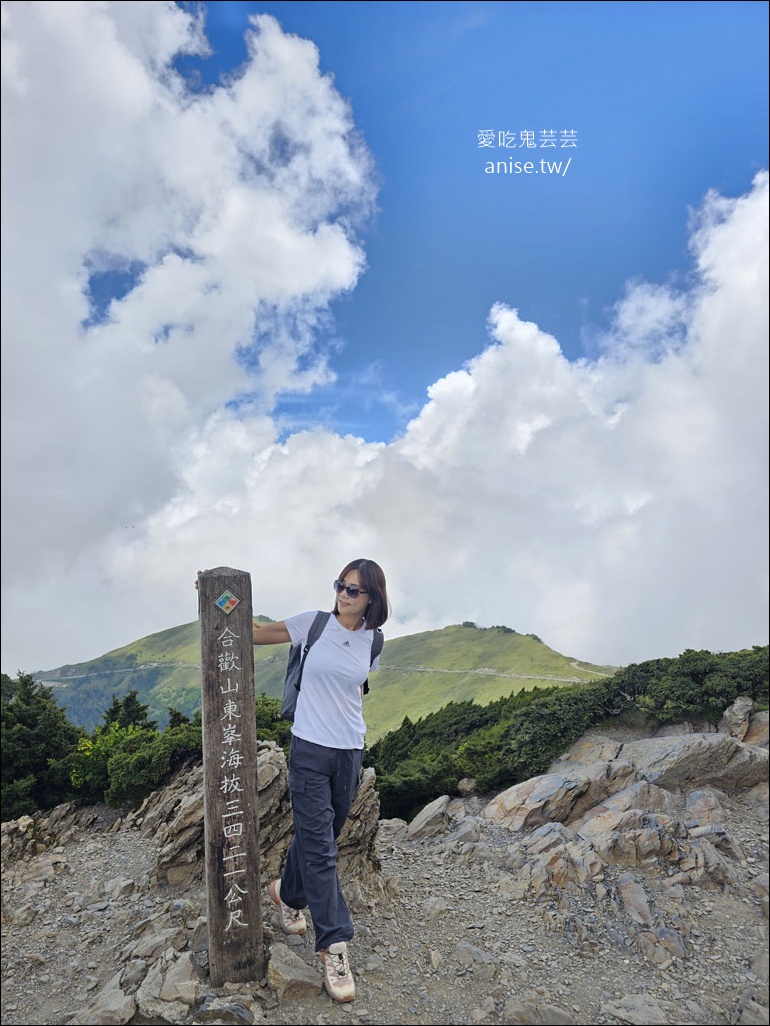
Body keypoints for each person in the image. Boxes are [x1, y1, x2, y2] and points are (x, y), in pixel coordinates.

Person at [252, 557, 389, 1003]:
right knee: (322, 850)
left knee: (321, 837)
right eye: (340, 585)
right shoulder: (312, 625)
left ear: (371, 598)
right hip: (309, 750)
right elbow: (253, 634)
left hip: (349, 752)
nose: (343, 594)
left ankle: (287, 893)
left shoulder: (374, 640)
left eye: (354, 589)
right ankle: (335, 944)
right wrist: (218, 596)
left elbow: (355, 689)